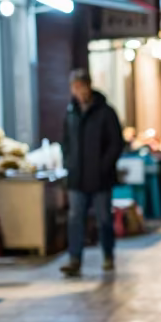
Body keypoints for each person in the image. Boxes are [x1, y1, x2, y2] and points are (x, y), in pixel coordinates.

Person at [60, 69, 125, 277]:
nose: (79, 92)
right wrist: (69, 164)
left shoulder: (106, 112)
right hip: (77, 177)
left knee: (104, 219)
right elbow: (66, 142)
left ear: (89, 86)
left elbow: (116, 143)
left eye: (82, 86)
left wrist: (103, 166)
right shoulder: (71, 112)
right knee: (75, 219)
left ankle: (108, 254)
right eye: (75, 88)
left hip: (100, 178)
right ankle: (74, 259)